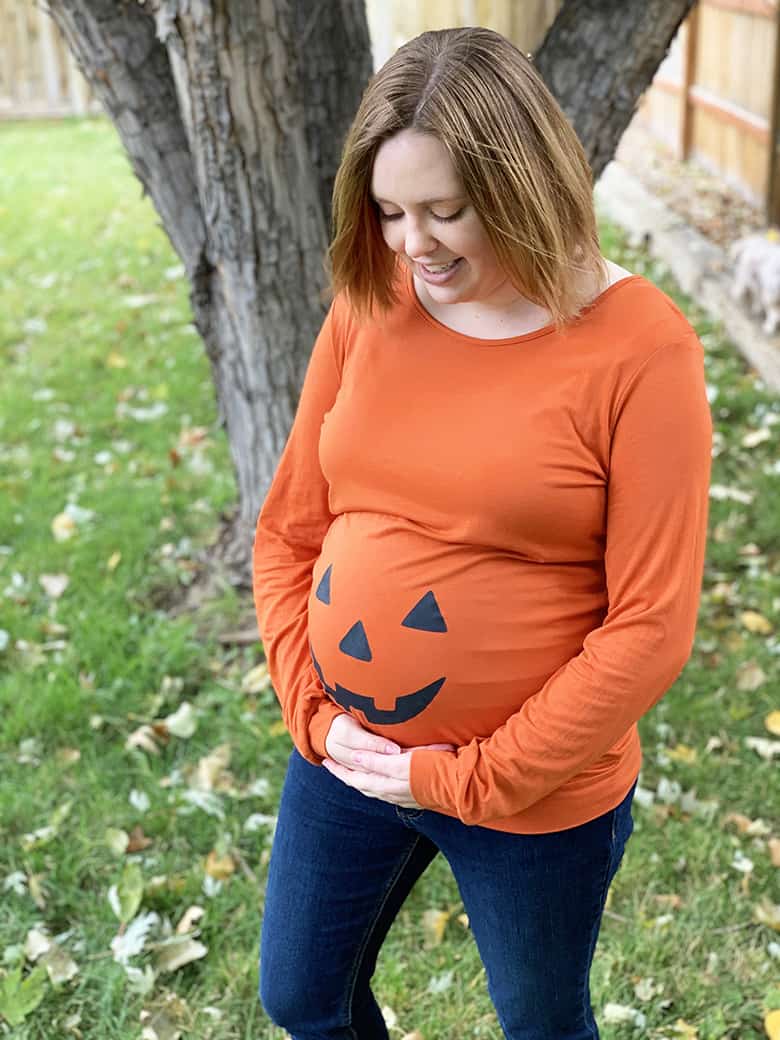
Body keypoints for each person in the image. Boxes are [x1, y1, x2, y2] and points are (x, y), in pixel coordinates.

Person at [251, 25, 712, 1040]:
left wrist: (461, 777)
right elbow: (288, 532)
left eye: (444, 210)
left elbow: (650, 626)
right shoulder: (370, 300)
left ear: (520, 184)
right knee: (299, 994)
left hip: (533, 795)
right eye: (388, 211)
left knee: (543, 1021)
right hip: (348, 753)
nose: (411, 242)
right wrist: (317, 717)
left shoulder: (642, 351)